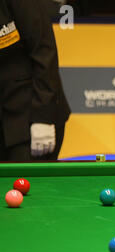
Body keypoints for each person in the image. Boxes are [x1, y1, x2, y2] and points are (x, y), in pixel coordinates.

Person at [0, 0, 71, 161]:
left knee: (25, 184)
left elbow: (44, 52)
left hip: (31, 118)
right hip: (4, 119)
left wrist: (43, 118)